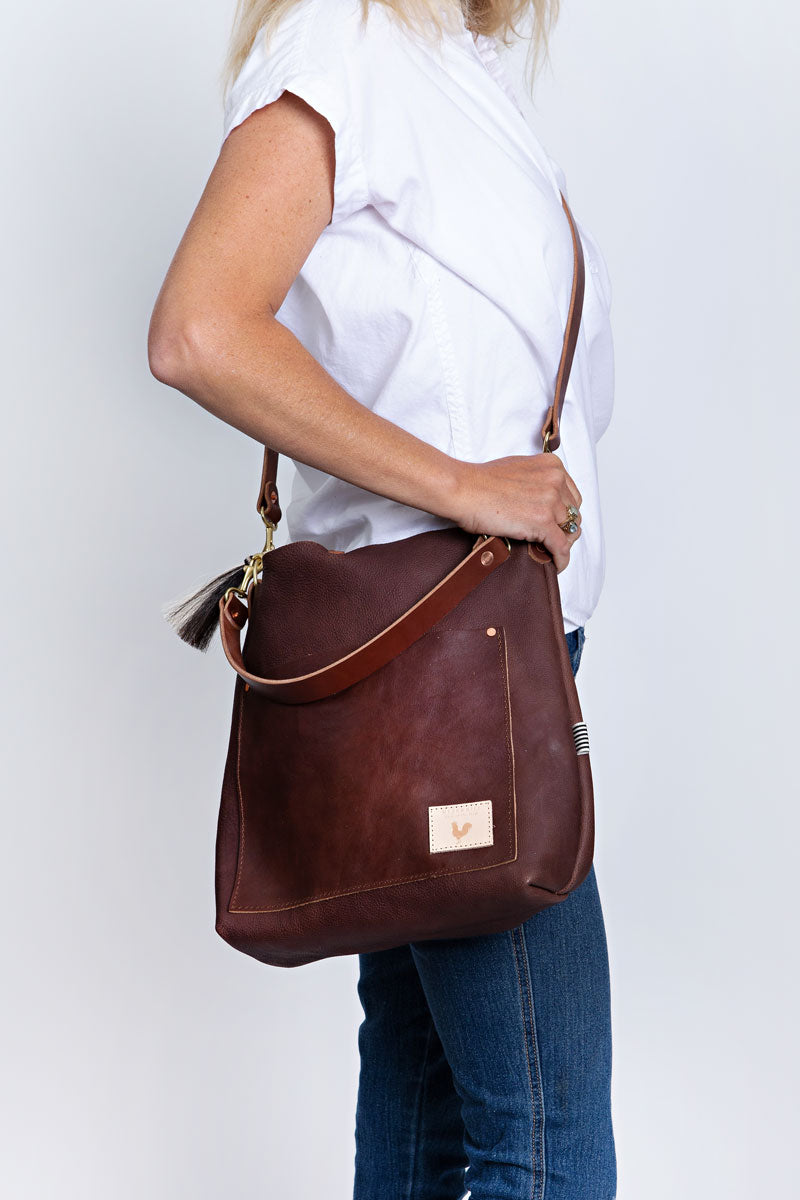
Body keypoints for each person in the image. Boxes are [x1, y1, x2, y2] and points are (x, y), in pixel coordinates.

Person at [148, 0, 616, 1195]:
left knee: (426, 1099)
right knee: (543, 1135)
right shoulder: (340, 41)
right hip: (451, 668)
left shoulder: (453, 65)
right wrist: (463, 485)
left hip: (473, 658)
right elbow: (200, 329)